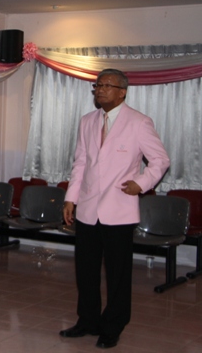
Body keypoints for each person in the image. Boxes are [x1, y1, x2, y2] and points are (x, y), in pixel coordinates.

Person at [60, 69, 170, 349]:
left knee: (117, 274)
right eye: (97, 85)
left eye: (107, 85)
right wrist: (71, 198)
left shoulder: (139, 122)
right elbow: (81, 163)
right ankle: (87, 320)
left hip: (119, 208)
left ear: (122, 92)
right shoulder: (87, 121)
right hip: (88, 208)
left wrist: (141, 183)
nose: (100, 90)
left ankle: (113, 326)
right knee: (86, 270)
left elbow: (160, 160)